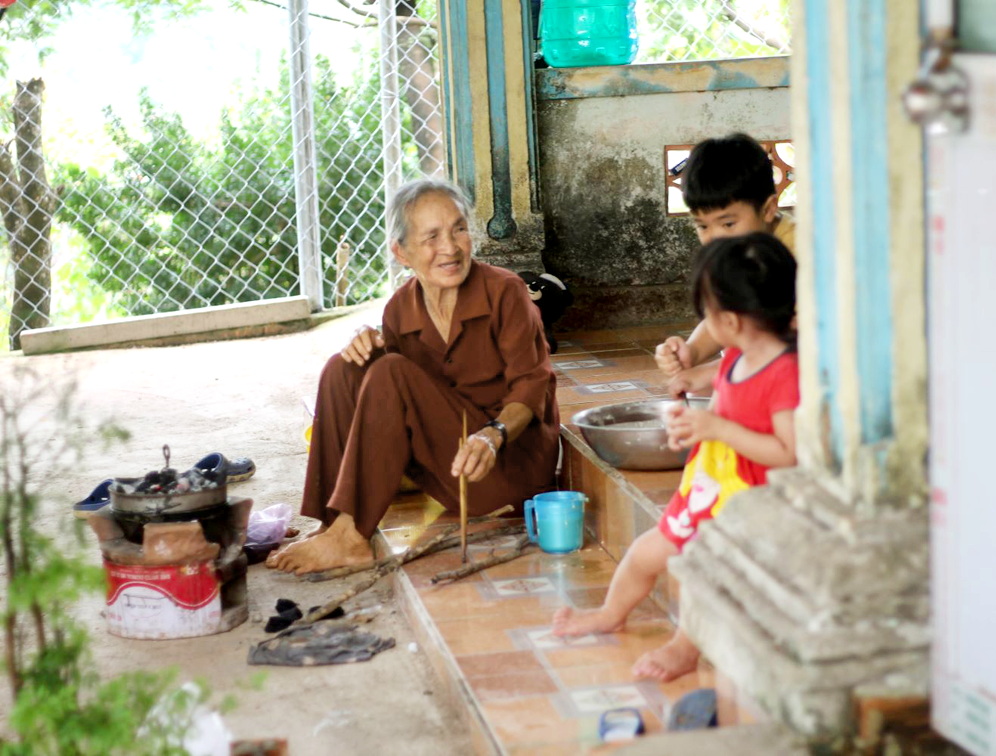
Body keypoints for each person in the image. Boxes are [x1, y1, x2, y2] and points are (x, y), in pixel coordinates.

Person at [268, 178, 559, 575]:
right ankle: (334, 522)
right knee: (344, 367)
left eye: (458, 228)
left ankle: (352, 538)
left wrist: (492, 436)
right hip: (448, 469)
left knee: (391, 371)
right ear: (401, 253)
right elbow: (394, 398)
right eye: (432, 237)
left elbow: (532, 384)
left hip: (507, 469)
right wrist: (362, 341)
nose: (450, 247)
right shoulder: (400, 310)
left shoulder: (506, 292)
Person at [553, 232, 799, 681]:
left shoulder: (784, 373)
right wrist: (683, 374)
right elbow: (707, 377)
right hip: (708, 488)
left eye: (707, 310)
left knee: (697, 569)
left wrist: (718, 428)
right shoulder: (738, 356)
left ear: (732, 319)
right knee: (647, 552)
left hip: (745, 504)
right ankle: (612, 612)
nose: (704, 320)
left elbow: (789, 453)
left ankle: (686, 646)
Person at [655, 133, 795, 394]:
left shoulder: (797, 256)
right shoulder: (733, 250)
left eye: (728, 223)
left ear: (767, 209)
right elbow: (725, 316)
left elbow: (796, 345)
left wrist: (711, 373)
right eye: (702, 225)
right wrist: (692, 352)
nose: (715, 237)